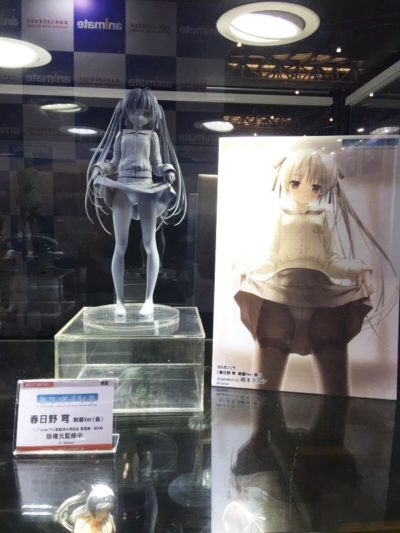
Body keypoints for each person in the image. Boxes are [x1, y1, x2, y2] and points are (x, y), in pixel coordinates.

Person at [235, 150, 395, 396]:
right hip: (279, 296)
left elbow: (330, 261)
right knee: (263, 393)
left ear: (324, 188)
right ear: (286, 181)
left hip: (323, 299)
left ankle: (333, 422)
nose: (304, 190)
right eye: (295, 183)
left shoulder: (323, 217)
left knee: (336, 394)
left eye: (316, 186)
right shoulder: (280, 215)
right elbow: (272, 258)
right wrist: (246, 266)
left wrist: (359, 270)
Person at [86, 88, 186, 319]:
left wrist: (167, 170)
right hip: (122, 187)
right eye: (134, 111)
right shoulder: (121, 136)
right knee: (120, 246)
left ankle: (149, 299)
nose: (139, 116)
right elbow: (114, 162)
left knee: (150, 244)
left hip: (146, 188)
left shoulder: (152, 137)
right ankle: (119, 301)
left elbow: (157, 163)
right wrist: (101, 167)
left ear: (151, 114)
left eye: (145, 112)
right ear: (126, 111)